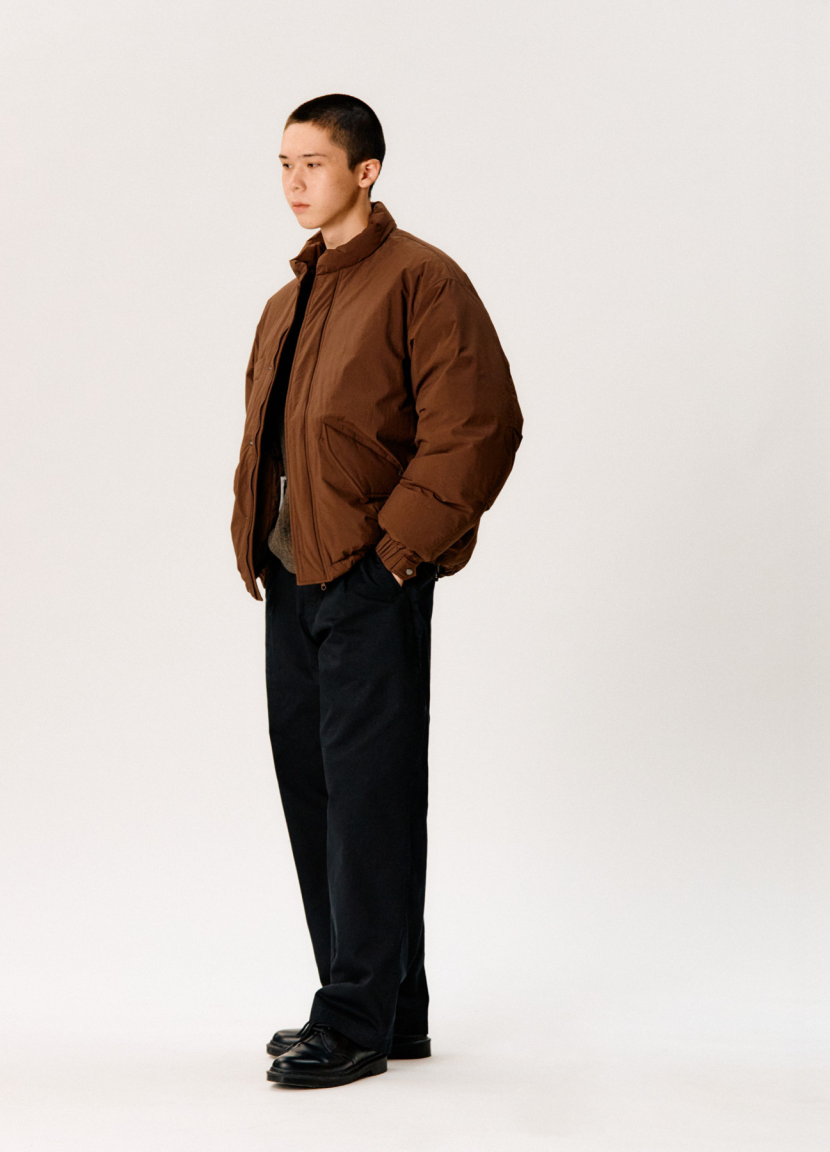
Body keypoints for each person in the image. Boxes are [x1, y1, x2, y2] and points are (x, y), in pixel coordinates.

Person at [229, 93, 524, 1089]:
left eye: (313, 164)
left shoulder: (421, 280)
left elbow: (478, 425)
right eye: (283, 164)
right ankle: (388, 1007)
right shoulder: (289, 301)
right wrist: (263, 549)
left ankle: (351, 1018)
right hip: (293, 576)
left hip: (366, 580)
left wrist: (394, 559)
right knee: (317, 793)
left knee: (369, 798)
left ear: (367, 171)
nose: (294, 182)